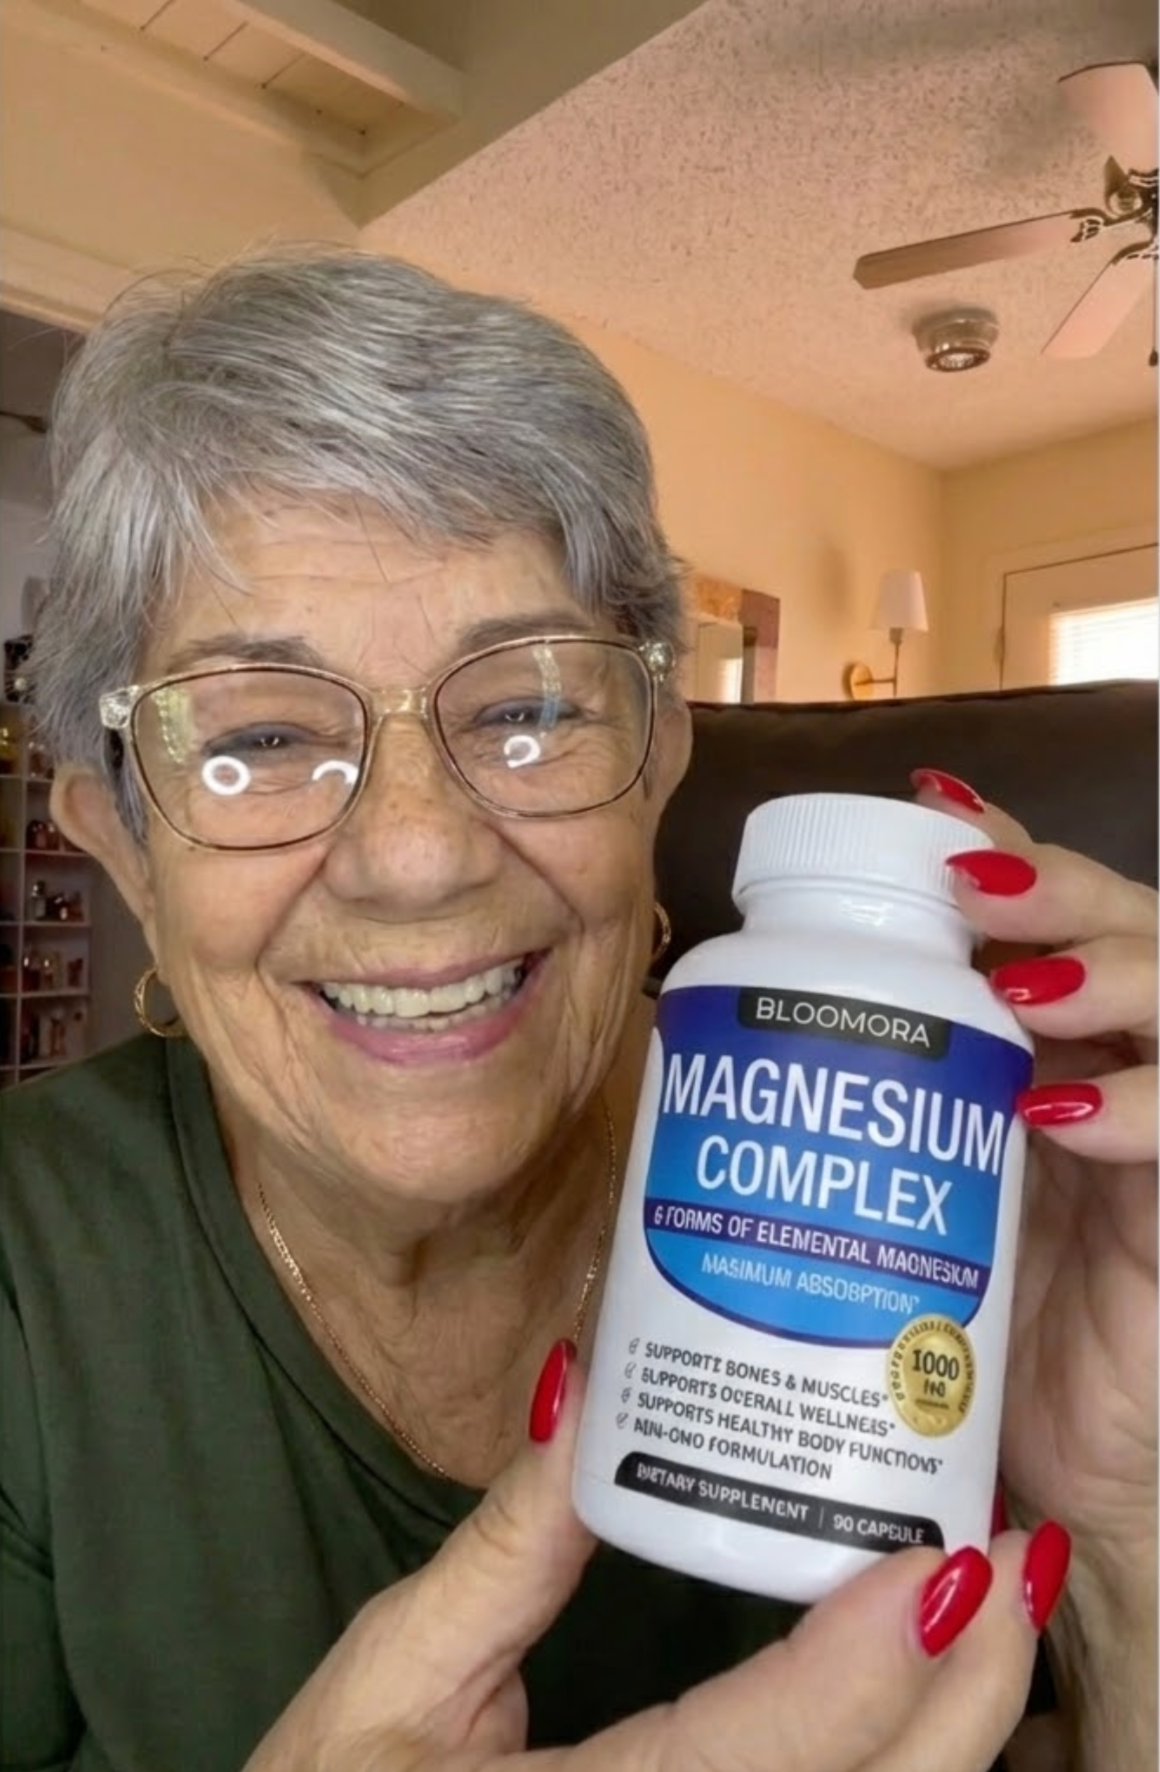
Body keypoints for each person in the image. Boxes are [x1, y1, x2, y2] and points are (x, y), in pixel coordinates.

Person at [0, 250, 1153, 1772]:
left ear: (662, 754)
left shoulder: (957, 1192)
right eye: (259, 739)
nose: (417, 855)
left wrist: (1131, 1547)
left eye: (528, 708)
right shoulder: (29, 1271)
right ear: (124, 850)